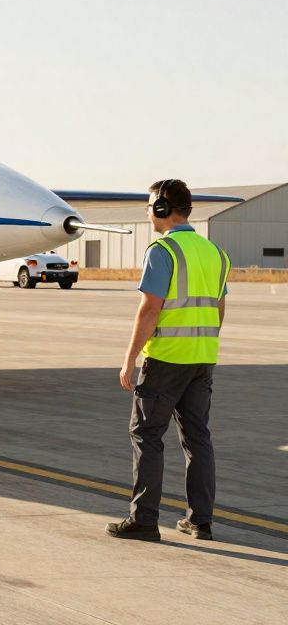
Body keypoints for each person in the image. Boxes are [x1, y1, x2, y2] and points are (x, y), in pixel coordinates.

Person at [107, 179, 229, 542]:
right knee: (198, 438)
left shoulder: (163, 250)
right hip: (203, 359)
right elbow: (219, 309)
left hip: (166, 359)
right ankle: (200, 520)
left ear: (162, 209)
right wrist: (202, 347)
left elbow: (149, 310)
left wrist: (129, 358)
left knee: (146, 434)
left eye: (149, 205)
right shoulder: (215, 253)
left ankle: (144, 520)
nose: (147, 212)